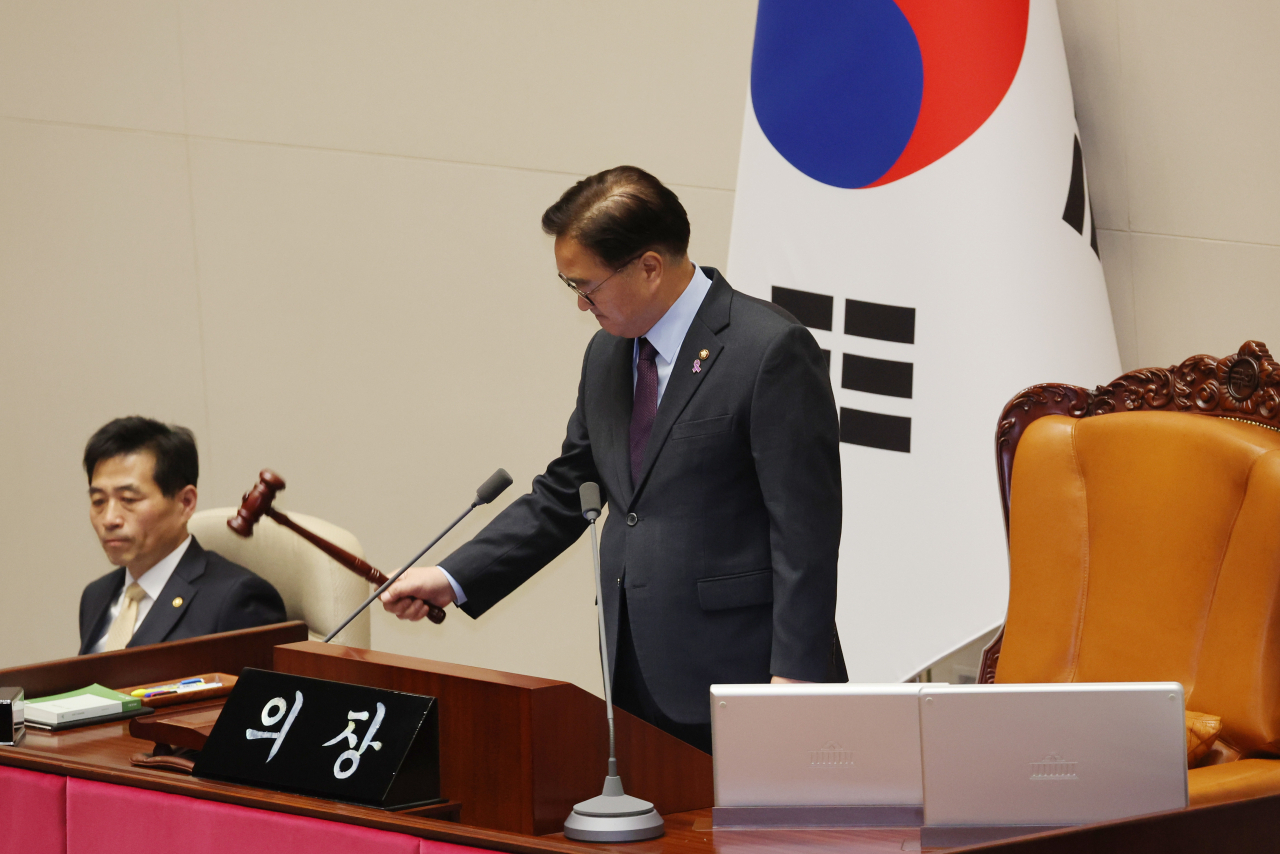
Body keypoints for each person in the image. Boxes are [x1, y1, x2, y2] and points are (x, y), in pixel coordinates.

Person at [382, 166, 845, 752]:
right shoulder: (608, 354)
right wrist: (453, 576)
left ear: (649, 267)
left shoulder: (769, 349)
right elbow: (566, 492)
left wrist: (796, 682)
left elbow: (805, 534)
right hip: (636, 675)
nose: (580, 304)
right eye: (569, 285)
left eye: (587, 285)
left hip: (750, 681)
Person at [78, 417, 287, 655]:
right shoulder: (96, 596)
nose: (109, 519)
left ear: (185, 503)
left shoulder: (237, 599)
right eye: (98, 502)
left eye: (128, 500)